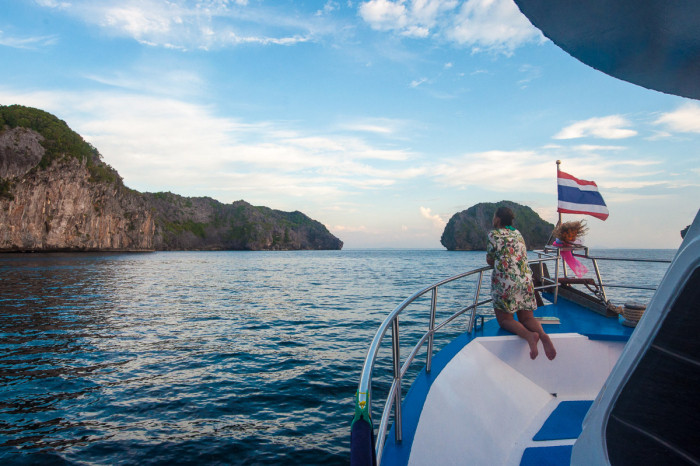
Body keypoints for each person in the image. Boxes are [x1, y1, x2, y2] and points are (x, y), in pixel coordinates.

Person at [486, 207, 556, 360]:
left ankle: (530, 336)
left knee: (505, 319)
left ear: (497, 219)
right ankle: (543, 335)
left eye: (493, 216)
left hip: (506, 281)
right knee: (527, 318)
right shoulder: (517, 233)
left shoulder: (493, 234)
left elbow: (490, 259)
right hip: (525, 279)